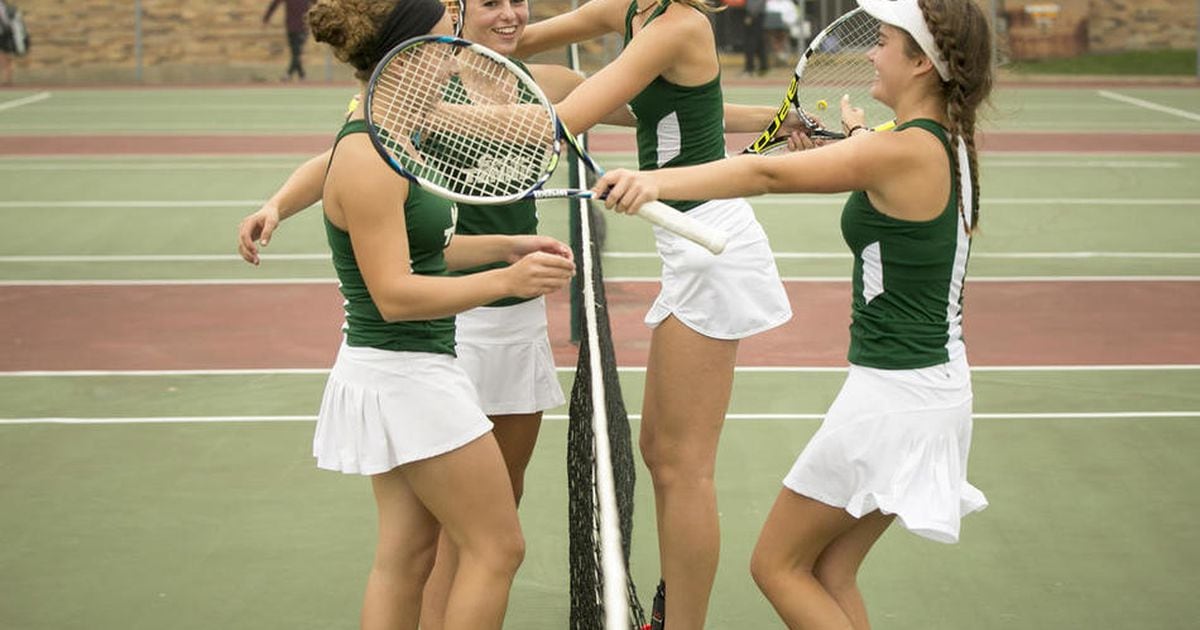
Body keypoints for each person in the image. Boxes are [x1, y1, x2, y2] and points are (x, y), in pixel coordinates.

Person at [592, 0, 993, 627]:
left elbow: (768, 176)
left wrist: (659, 183)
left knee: (777, 565)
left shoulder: (903, 153)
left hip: (895, 399)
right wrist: (857, 132)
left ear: (921, 63)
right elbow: (875, 155)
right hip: (927, 390)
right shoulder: (939, 142)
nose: (870, 52)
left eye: (884, 42)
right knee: (828, 571)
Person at [514, 2, 798, 627]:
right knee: (660, 453)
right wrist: (449, 54)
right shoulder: (633, 8)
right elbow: (523, 38)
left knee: (682, 466)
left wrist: (436, 113)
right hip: (685, 245)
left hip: (711, 247)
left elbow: (559, 124)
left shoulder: (678, 27)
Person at [303, 0, 575, 628]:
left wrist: (509, 247)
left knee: (406, 556)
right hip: (404, 374)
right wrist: (507, 280)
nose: (456, 48)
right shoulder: (371, 155)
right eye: (441, 38)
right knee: (497, 548)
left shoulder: (401, 140)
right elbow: (395, 295)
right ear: (406, 53)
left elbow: (432, 251)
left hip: (410, 369)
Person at [263, 0, 313, 81]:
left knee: (297, 52)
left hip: (303, 27)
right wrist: (266, 18)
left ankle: (289, 74)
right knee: (295, 52)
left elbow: (318, 5)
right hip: (291, 28)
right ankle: (302, 75)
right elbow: (275, 4)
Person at [743, 0, 768, 76]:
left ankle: (750, 68)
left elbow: (757, 3)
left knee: (751, 43)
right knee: (759, 42)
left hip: (756, 16)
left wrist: (751, 15)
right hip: (756, 15)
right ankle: (763, 67)